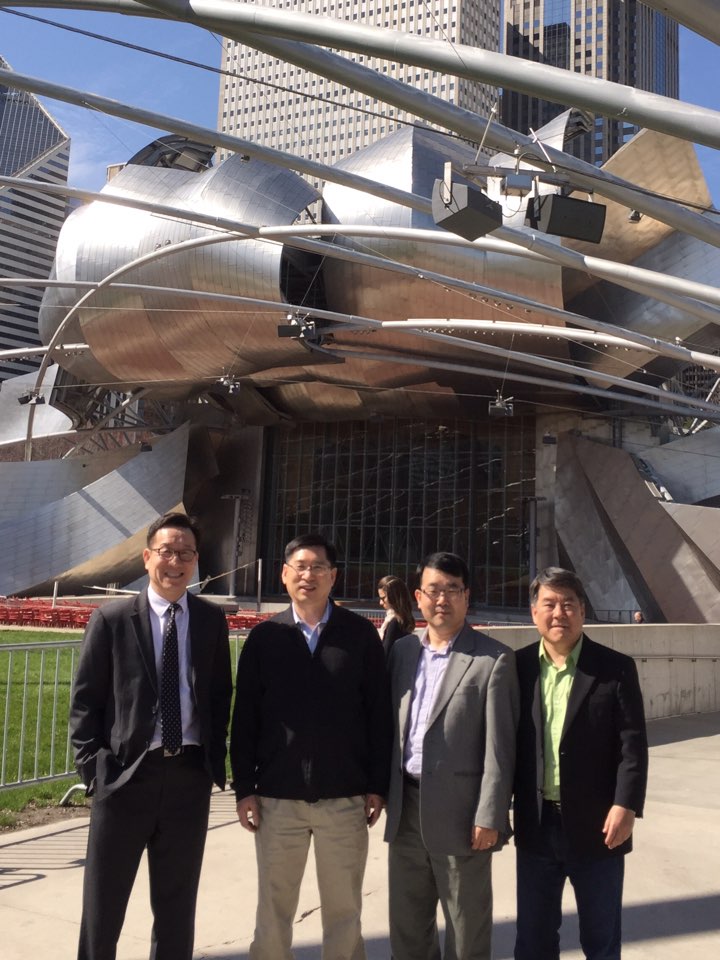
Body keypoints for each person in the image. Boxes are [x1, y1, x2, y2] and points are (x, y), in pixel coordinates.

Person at [69, 512, 232, 960]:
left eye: (185, 553)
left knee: (177, 910)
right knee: (103, 910)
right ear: (146, 557)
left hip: (188, 780)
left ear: (196, 561)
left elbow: (219, 694)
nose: (175, 562)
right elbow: (85, 702)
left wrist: (210, 762)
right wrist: (96, 771)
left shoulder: (210, 620)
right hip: (124, 779)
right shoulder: (112, 619)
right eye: (166, 552)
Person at [230, 533, 392, 960]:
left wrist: (377, 785)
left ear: (333, 576)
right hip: (277, 799)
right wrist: (244, 787)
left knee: (344, 914)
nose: (308, 575)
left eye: (318, 567)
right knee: (273, 914)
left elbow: (379, 716)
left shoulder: (359, 635)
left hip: (345, 798)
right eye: (299, 567)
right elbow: (244, 719)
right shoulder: (265, 638)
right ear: (284, 575)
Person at [384, 551, 520, 960]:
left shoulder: (493, 659)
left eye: (452, 590)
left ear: (466, 596)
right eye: (433, 590)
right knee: (407, 928)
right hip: (405, 809)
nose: (442, 599)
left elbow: (500, 748)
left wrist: (490, 814)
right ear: (418, 597)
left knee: (466, 931)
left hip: (463, 816)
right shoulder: (402, 652)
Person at [513, 567, 649, 960]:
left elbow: (632, 745)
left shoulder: (615, 668)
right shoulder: (517, 668)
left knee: (601, 941)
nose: (559, 613)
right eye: (549, 604)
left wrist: (626, 805)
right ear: (534, 612)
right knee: (534, 941)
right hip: (537, 826)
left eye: (568, 604)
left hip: (600, 827)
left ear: (583, 611)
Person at [377, 574, 416, 656]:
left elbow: (384, 655)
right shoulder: (403, 620)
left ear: (394, 597)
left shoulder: (394, 622)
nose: (380, 603)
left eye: (383, 598)